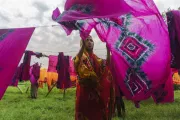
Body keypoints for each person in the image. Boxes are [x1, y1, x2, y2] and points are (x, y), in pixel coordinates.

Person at [74, 35, 115, 120]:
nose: (89, 42)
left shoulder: (97, 58)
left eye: (91, 40)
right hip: (83, 93)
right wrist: (82, 45)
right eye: (87, 40)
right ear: (82, 43)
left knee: (97, 115)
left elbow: (106, 67)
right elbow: (77, 61)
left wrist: (108, 50)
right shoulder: (80, 57)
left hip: (96, 95)